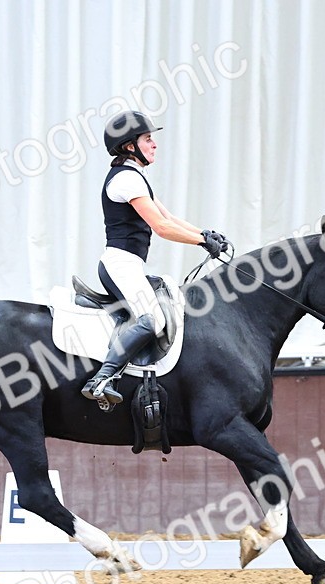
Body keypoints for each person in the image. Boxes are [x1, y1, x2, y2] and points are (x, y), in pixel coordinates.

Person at [82, 110, 229, 405]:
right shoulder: (125, 180)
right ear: (129, 146)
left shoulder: (136, 176)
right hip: (119, 264)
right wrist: (201, 242)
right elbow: (161, 228)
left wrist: (206, 233)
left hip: (130, 265)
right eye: (148, 139)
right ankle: (102, 379)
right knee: (152, 320)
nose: (154, 144)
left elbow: (169, 217)